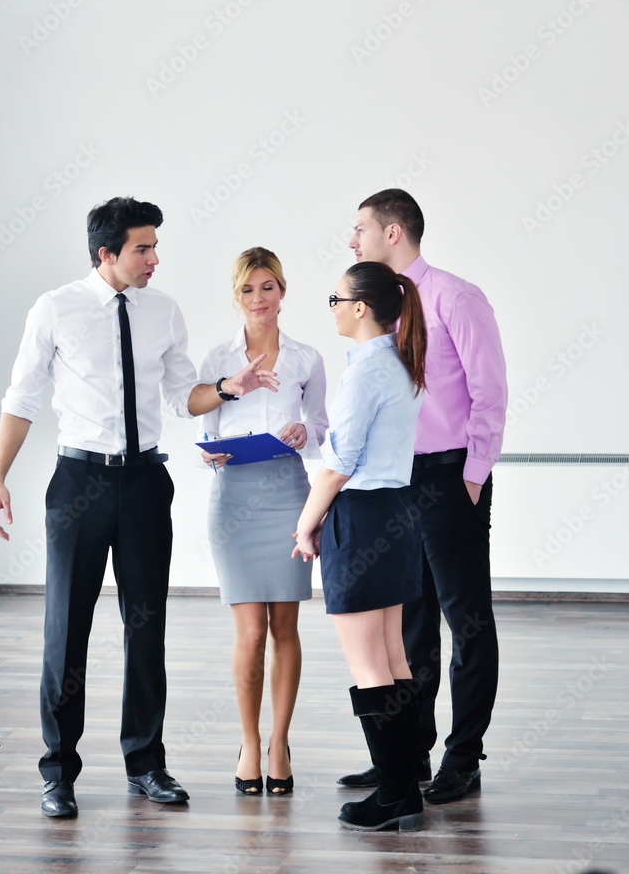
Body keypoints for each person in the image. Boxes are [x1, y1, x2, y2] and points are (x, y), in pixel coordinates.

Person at [0, 198, 279, 819]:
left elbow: (181, 396)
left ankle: (146, 763)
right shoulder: (55, 309)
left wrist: (227, 388)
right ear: (106, 253)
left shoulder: (163, 311)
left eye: (154, 247)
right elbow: (22, 398)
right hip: (80, 482)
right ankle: (58, 771)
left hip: (145, 482)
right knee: (66, 628)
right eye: (143, 248)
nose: (154, 259)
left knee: (146, 626)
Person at [338, 188, 508, 804]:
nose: (352, 240)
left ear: (392, 232)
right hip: (394, 482)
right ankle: (406, 758)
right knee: (410, 625)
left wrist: (474, 473)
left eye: (360, 228)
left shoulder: (455, 298)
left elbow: (490, 391)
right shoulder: (377, 307)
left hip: (449, 475)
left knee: (466, 617)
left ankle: (463, 757)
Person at [293, 261, 427, 831]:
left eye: (335, 299)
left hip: (364, 518)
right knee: (393, 657)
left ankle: (395, 794)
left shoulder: (367, 371)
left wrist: (306, 524)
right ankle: (404, 786)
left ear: (360, 307)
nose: (331, 309)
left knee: (371, 664)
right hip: (394, 513)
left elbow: (339, 462)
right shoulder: (398, 361)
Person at [198, 247, 327, 796]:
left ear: (282, 291)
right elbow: (202, 427)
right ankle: (249, 742)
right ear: (236, 296)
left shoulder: (306, 358)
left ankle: (280, 742)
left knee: (285, 627)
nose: (259, 298)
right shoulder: (218, 358)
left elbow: (323, 428)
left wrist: (305, 433)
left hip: (288, 493)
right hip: (234, 498)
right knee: (250, 633)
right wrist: (210, 452)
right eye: (248, 289)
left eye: (268, 286)